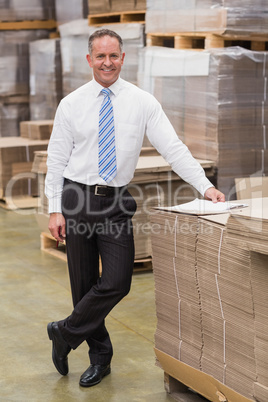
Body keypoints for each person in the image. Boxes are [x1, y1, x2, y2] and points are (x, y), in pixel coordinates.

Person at [45, 28, 225, 388]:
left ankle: (64, 332)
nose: (107, 63)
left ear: (123, 58)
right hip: (76, 199)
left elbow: (172, 148)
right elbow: (56, 160)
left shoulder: (142, 101)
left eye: (114, 56)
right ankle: (100, 358)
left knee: (117, 281)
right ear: (90, 59)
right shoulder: (72, 104)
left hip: (114, 202)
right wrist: (54, 208)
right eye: (101, 56)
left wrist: (204, 186)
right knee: (83, 287)